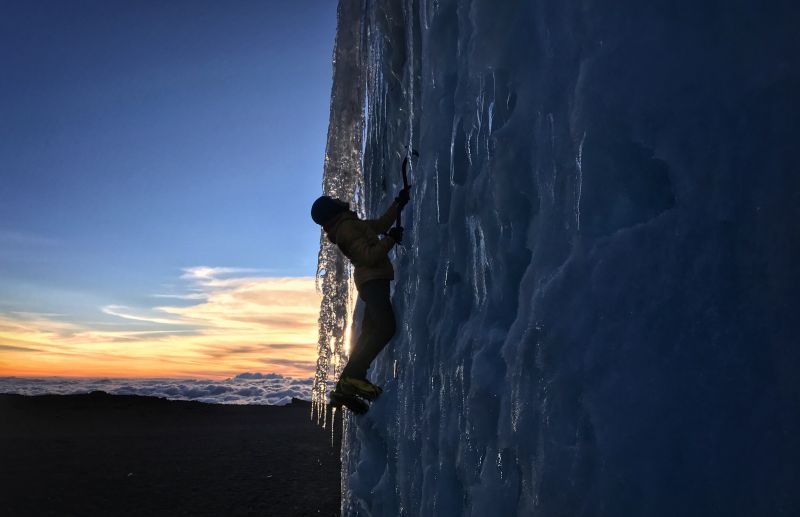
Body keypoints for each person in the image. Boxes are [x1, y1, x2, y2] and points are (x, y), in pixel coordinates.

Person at [310, 187, 410, 402]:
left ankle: (343, 388)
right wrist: (390, 240)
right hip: (372, 281)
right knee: (386, 328)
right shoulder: (346, 227)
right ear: (330, 210)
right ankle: (355, 377)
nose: (337, 199)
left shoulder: (349, 223)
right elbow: (368, 257)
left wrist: (398, 204)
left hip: (372, 281)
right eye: (332, 200)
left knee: (369, 332)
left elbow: (380, 225)